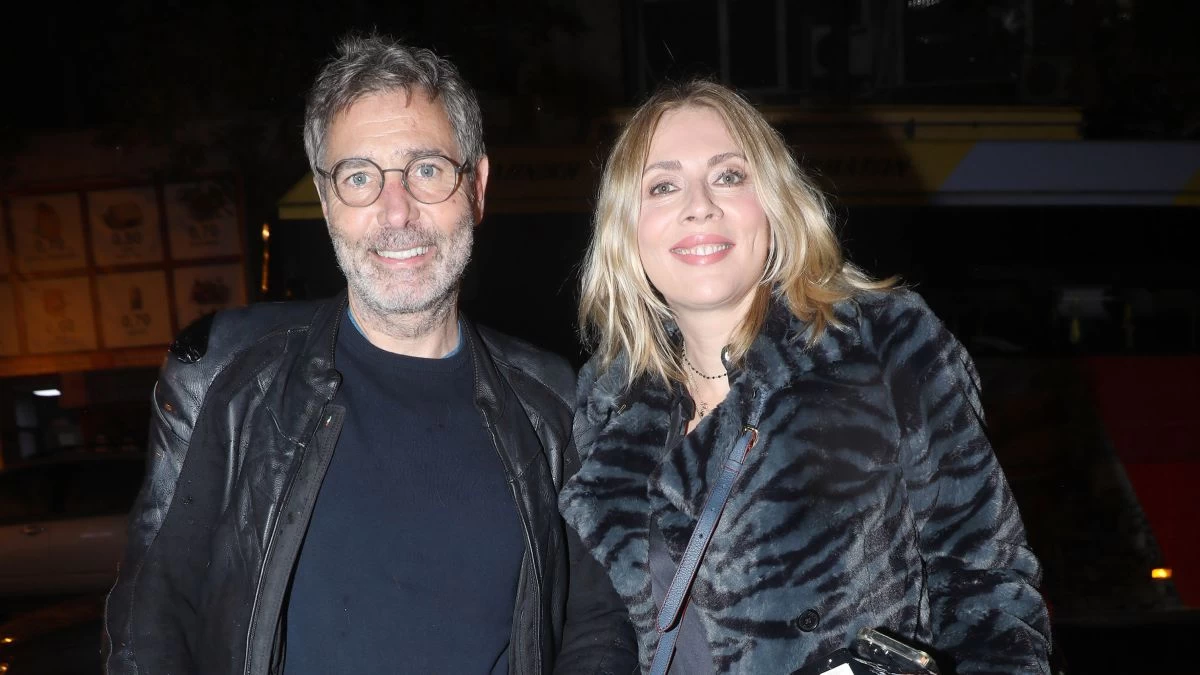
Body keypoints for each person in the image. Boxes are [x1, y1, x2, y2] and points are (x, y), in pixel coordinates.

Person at [103, 34, 635, 675]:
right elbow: (150, 618)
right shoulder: (224, 379)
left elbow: (595, 623)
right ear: (326, 201)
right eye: (359, 178)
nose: (396, 211)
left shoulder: (554, 401)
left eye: (427, 170)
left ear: (477, 187)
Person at [558, 79, 1052, 674]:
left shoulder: (882, 343)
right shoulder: (606, 401)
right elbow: (594, 631)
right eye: (663, 185)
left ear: (774, 202)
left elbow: (986, 583)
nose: (699, 205)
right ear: (627, 229)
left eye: (729, 176)